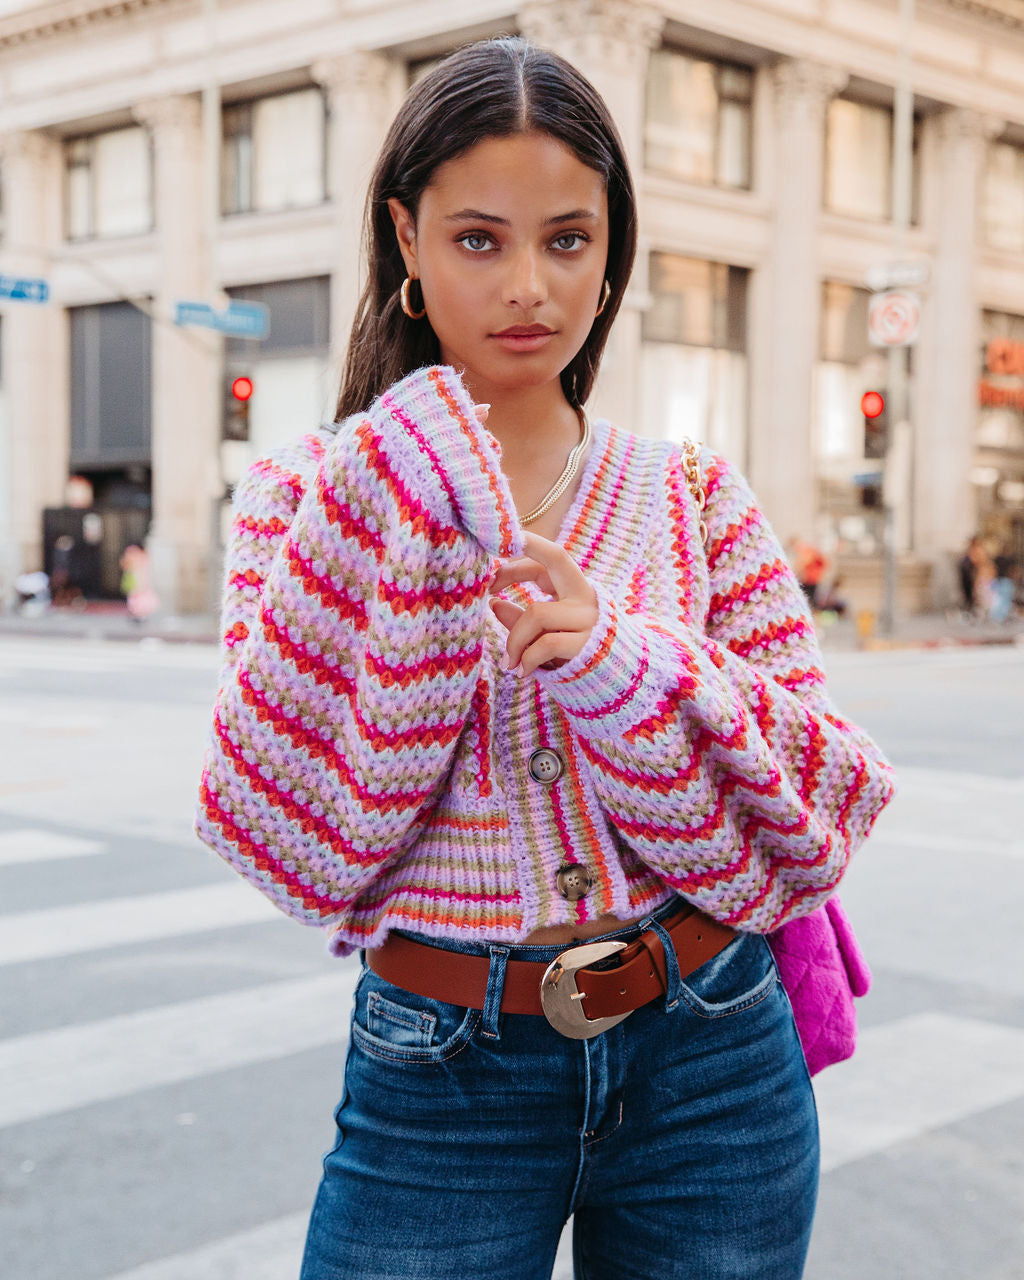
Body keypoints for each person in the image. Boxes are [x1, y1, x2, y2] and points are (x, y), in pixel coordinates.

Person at [195, 38, 895, 1280]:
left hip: (712, 1053)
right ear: (405, 238)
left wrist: (627, 666)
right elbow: (304, 845)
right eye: (479, 239)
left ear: (610, 247)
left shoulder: (693, 497)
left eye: (567, 239)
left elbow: (818, 815)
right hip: (440, 1069)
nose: (529, 285)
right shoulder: (309, 500)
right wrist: (405, 507)